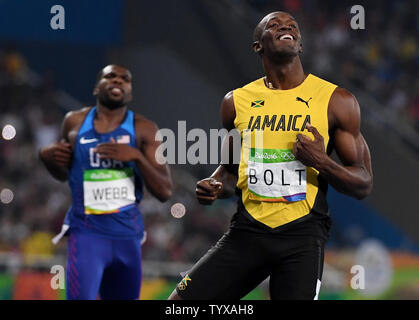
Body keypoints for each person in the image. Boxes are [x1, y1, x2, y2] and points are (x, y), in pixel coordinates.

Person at [169, 11, 373, 300]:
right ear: (258, 46)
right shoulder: (236, 102)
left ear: (300, 44)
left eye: (292, 26)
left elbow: (363, 183)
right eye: (274, 25)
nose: (286, 27)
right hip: (247, 234)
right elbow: (229, 173)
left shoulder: (336, 101)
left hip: (301, 239)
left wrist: (321, 161)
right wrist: (215, 186)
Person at [39, 64, 173, 300]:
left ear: (130, 92)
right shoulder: (74, 123)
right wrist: (47, 159)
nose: (118, 81)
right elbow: (64, 173)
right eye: (111, 76)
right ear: (96, 87)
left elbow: (165, 191)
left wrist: (136, 157)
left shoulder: (145, 130)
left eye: (125, 79)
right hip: (87, 235)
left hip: (128, 239)